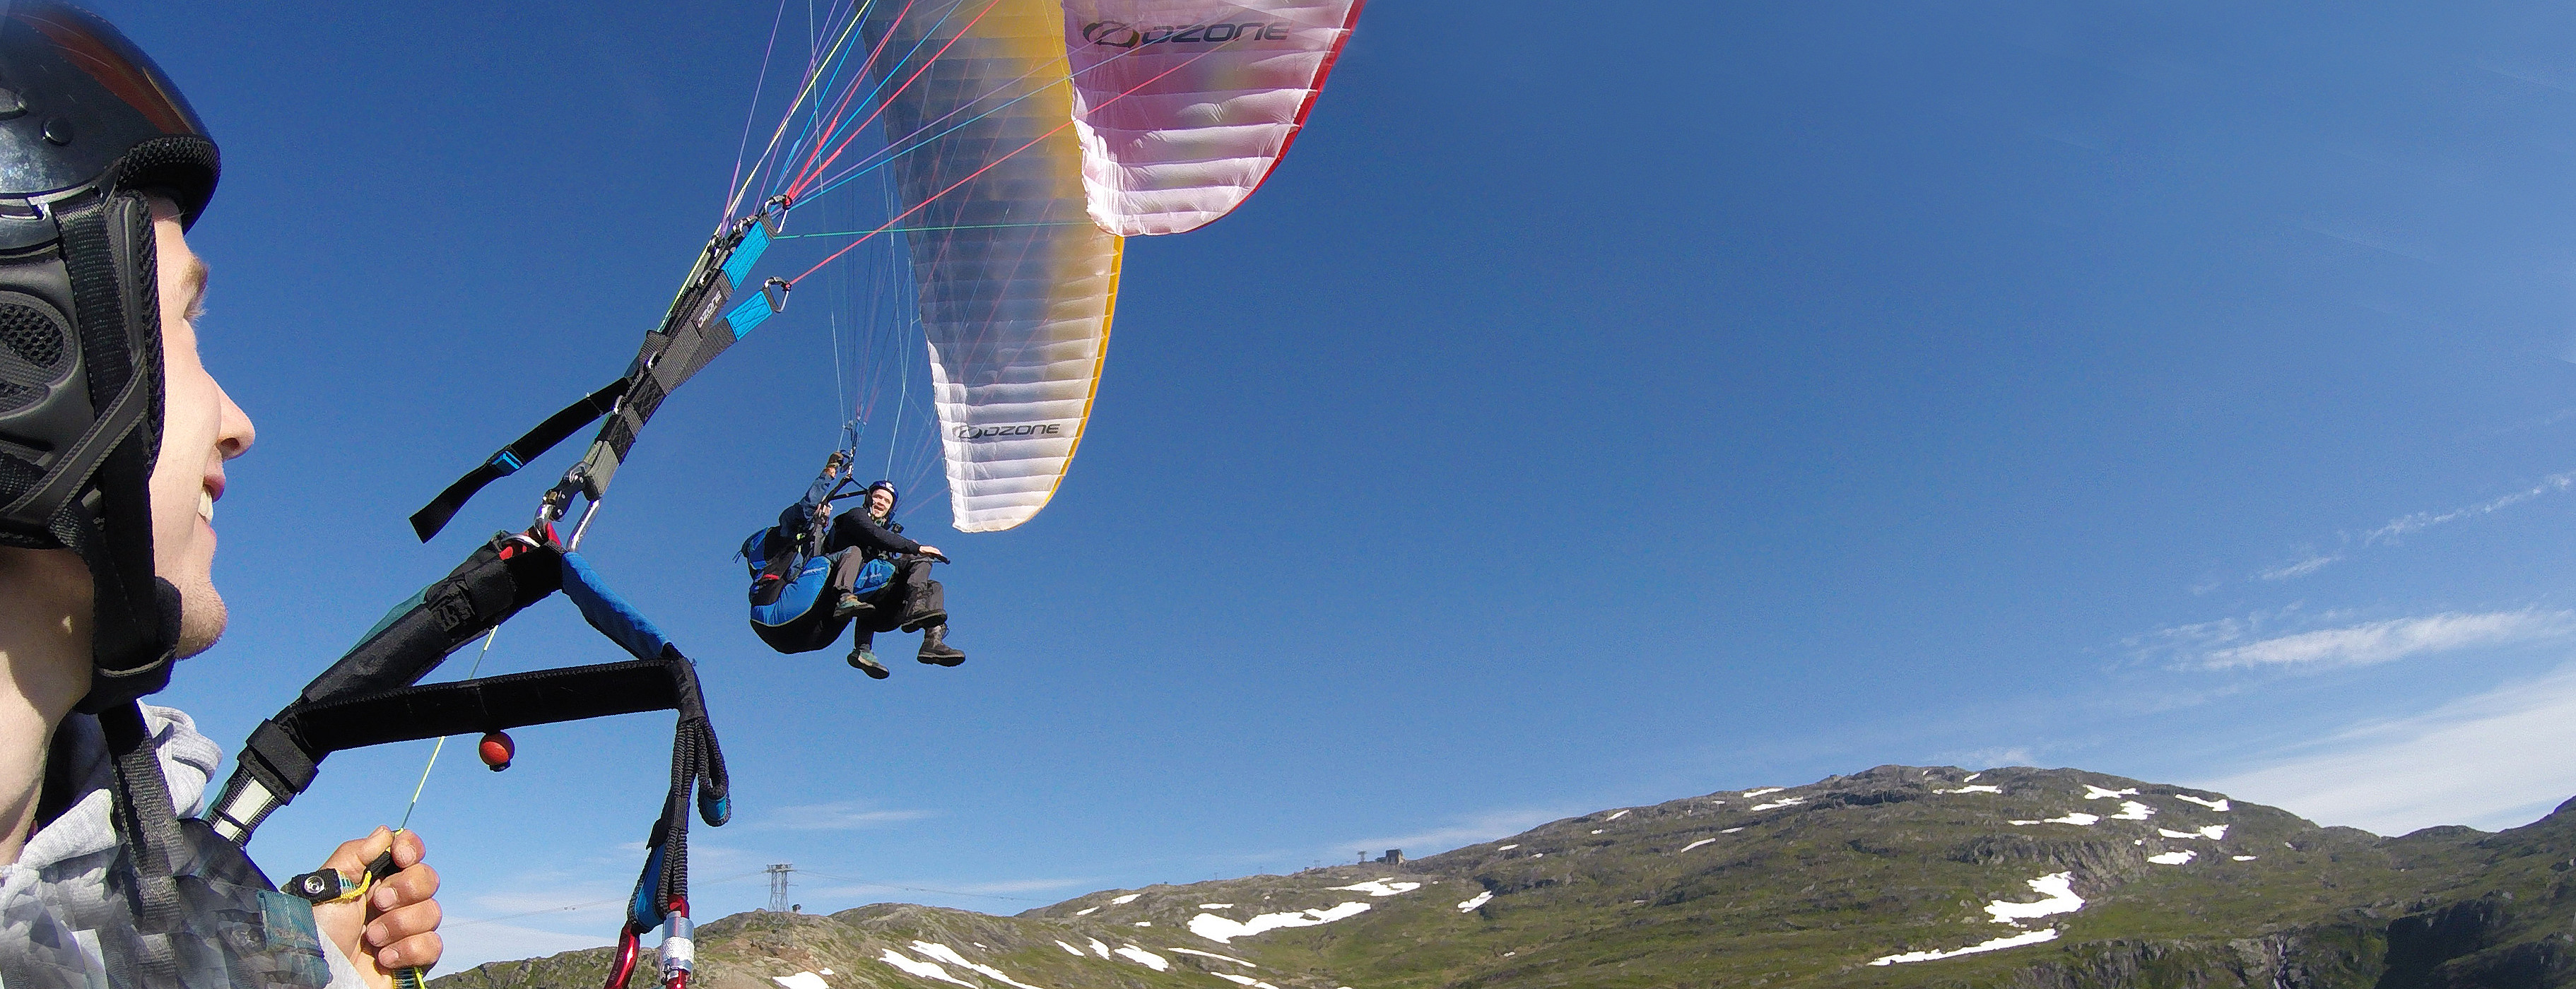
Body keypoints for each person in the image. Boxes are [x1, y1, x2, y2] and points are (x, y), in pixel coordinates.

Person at [0, 4, 441, 986]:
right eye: (185, 320)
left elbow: (97, 937)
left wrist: (306, 946)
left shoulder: (123, 850)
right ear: (30, 360)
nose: (240, 422)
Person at [761, 456, 963, 679]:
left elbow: (884, 542)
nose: (880, 503)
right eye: (877, 497)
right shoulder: (855, 517)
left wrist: (905, 554)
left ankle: (929, 642)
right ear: (869, 499)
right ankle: (898, 610)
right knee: (896, 557)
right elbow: (875, 535)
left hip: (864, 585)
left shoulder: (885, 540)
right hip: (837, 578)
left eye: (886, 501)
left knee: (932, 586)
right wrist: (916, 548)